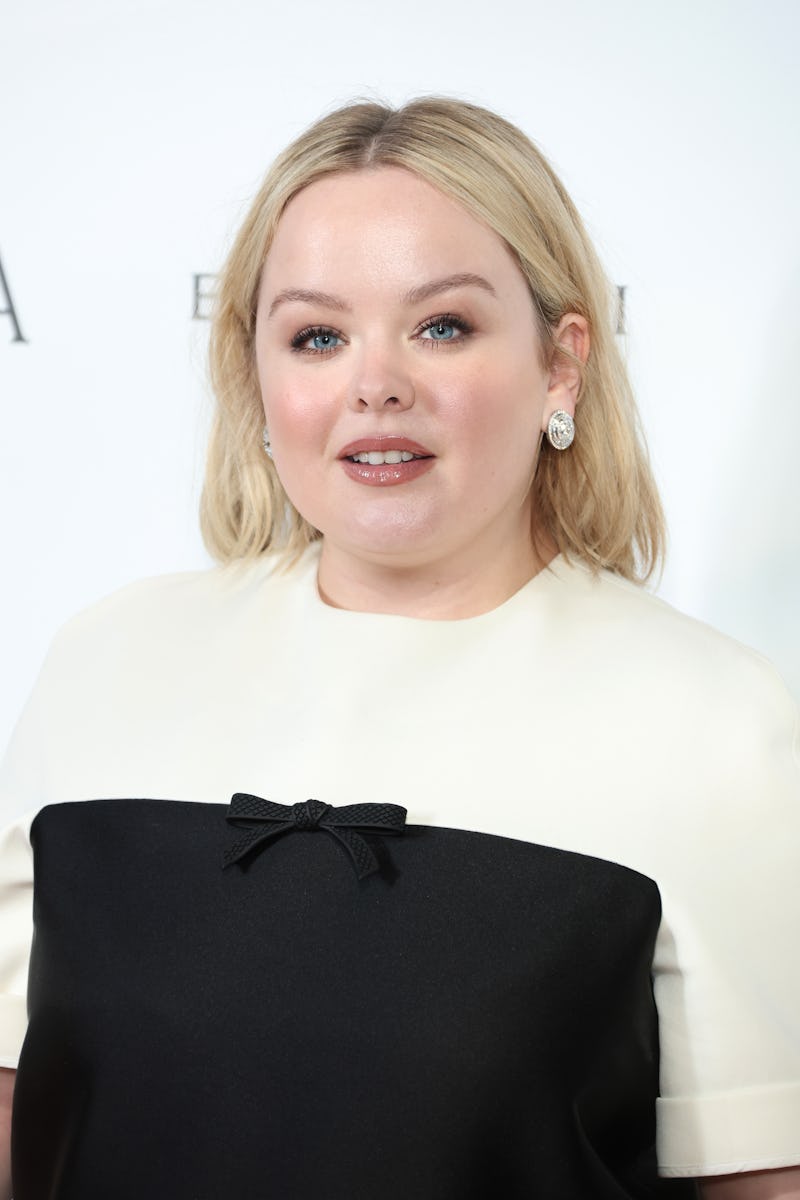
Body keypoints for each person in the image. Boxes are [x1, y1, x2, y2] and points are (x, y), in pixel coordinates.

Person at [0, 96, 798, 1199]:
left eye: (441, 326)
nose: (375, 383)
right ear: (257, 378)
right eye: (317, 336)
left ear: (559, 367)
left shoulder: (716, 723)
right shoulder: (103, 663)